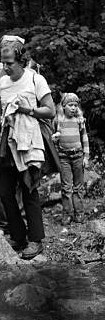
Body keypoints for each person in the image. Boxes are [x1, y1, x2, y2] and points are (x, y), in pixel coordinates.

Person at [0, 35, 56, 260]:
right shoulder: (2, 82)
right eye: (3, 62)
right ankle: (18, 236)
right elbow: (1, 114)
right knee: (5, 192)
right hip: (7, 142)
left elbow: (50, 110)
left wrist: (28, 110)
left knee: (28, 189)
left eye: (9, 63)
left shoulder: (35, 79)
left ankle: (36, 240)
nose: (5, 67)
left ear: (21, 60)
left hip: (28, 141)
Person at [52, 92, 89, 224]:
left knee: (78, 186)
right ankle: (67, 213)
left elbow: (85, 138)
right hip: (64, 158)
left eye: (75, 105)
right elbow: (54, 140)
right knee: (66, 187)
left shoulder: (79, 120)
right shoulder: (58, 121)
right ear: (63, 106)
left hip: (78, 156)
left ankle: (79, 212)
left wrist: (86, 156)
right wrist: (55, 139)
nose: (73, 108)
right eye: (70, 105)